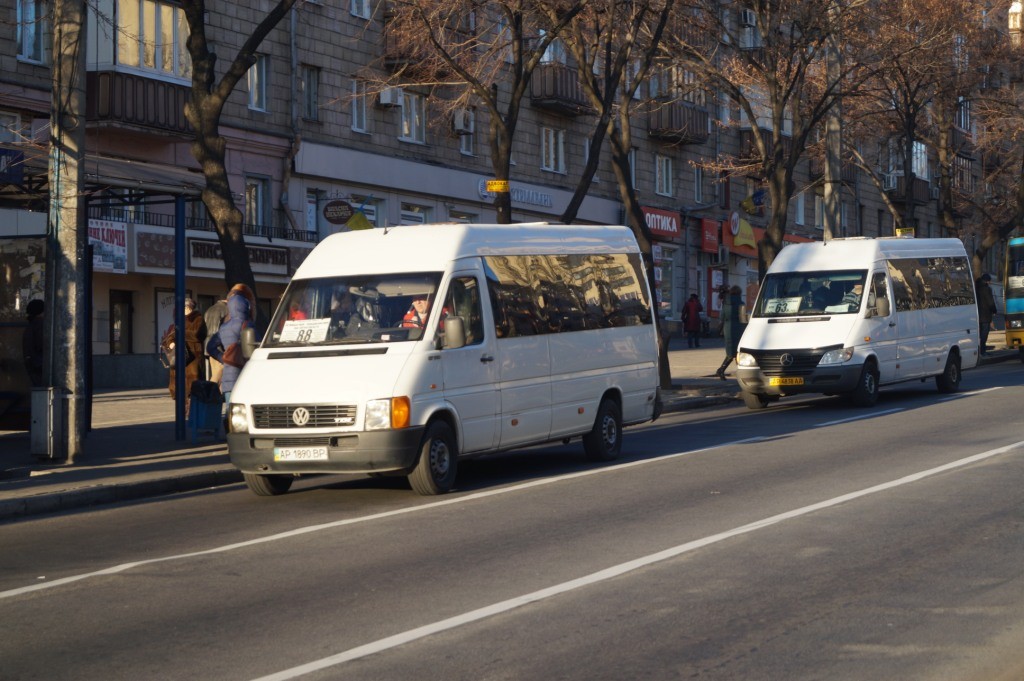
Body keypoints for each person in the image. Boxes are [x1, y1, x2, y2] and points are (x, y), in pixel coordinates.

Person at [206, 283, 257, 404]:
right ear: (246, 306)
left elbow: (210, 347)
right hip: (244, 374)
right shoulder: (249, 325)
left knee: (229, 413)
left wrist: (223, 358)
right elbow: (257, 346)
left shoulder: (224, 327)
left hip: (228, 378)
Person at [161, 297, 207, 415]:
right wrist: (170, 342)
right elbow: (171, 335)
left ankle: (191, 411)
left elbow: (198, 335)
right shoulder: (180, 320)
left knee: (192, 387)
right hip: (179, 358)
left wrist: (181, 333)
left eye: (183, 308)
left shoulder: (198, 319)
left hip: (192, 358)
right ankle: (183, 410)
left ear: (188, 307)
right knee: (180, 387)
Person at [715, 285, 747, 380]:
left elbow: (722, 318)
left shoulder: (726, 304)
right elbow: (744, 319)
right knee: (738, 351)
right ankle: (721, 370)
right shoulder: (741, 304)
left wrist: (720, 329)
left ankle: (722, 370)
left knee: (732, 351)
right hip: (739, 329)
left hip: (728, 329)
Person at [204, 296, 228, 383]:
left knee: (216, 374)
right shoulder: (226, 310)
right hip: (219, 347)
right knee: (218, 376)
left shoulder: (209, 309)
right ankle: (208, 394)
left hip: (209, 345)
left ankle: (215, 395)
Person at [22, 299, 45, 387]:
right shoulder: (40, 325)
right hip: (39, 366)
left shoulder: (31, 326)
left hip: (34, 366)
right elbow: (42, 345)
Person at [976, 273, 997, 353]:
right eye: (989, 281)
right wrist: (994, 310)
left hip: (977, 315)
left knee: (980, 333)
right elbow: (990, 302)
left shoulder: (976, 287)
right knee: (984, 333)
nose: (990, 283)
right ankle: (982, 350)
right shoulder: (986, 289)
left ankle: (980, 349)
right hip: (985, 315)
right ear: (987, 281)